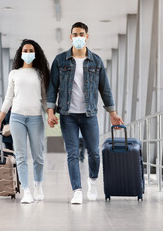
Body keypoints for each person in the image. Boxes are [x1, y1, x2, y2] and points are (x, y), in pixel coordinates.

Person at [46, 22, 124, 204]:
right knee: (72, 153)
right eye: (75, 34)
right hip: (67, 115)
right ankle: (77, 191)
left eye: (82, 34)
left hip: (89, 115)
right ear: (71, 37)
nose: (78, 37)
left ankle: (92, 181)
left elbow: (105, 89)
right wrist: (51, 113)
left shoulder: (96, 61)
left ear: (87, 36)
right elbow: (52, 89)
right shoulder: (60, 60)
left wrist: (113, 114)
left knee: (94, 153)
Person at [0, 39, 50, 204]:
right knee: (21, 156)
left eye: (31, 50)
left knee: (38, 155)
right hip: (17, 117)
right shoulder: (14, 74)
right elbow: (8, 98)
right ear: (21, 53)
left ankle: (38, 185)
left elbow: (45, 99)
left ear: (35, 53)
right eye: (26, 50)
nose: (29, 53)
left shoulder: (40, 73)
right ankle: (26, 190)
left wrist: (51, 116)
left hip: (36, 118)